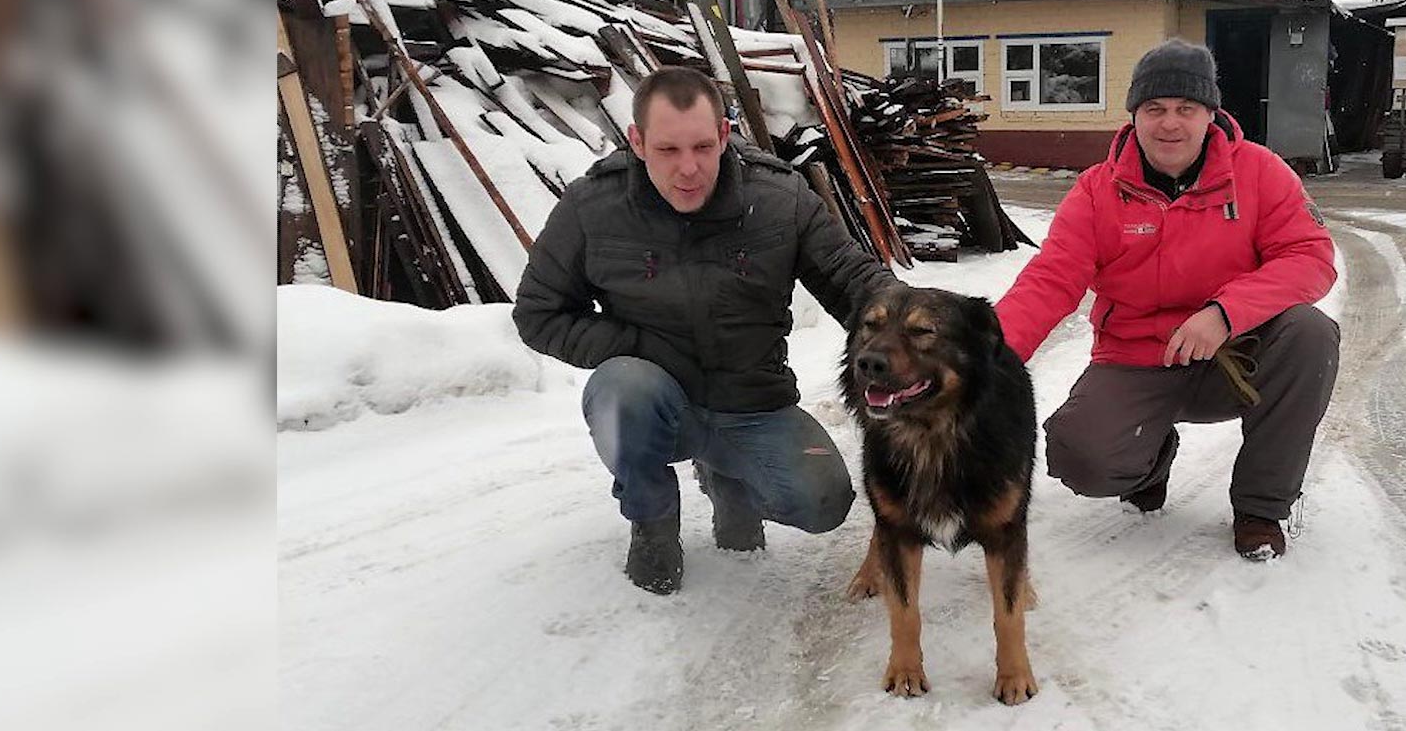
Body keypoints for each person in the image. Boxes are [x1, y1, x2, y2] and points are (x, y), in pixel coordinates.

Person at [512, 67, 898, 595]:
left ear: (723, 136)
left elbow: (852, 279)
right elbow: (538, 313)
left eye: (701, 146)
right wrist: (638, 348)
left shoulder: (779, 199)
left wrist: (921, 323)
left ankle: (727, 476)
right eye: (668, 150)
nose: (688, 169)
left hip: (752, 403)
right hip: (658, 402)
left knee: (823, 501)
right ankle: (651, 522)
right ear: (637, 142)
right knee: (624, 389)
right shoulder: (593, 208)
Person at [994, 39, 1340, 561]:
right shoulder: (1096, 191)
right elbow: (1051, 278)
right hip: (1137, 358)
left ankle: (1260, 508)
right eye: (1154, 110)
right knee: (1080, 457)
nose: (1170, 124)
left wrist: (1225, 314)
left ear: (1210, 114)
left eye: (1186, 109)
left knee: (1310, 335)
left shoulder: (1260, 173)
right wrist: (986, 358)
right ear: (1134, 116)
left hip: (1234, 356)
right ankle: (1150, 456)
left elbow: (1310, 257)